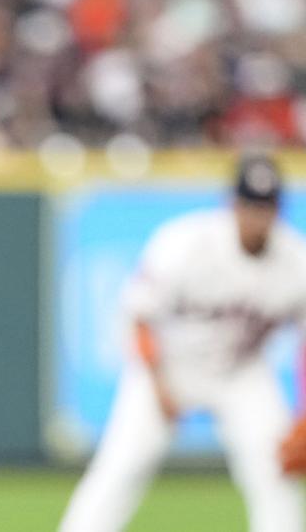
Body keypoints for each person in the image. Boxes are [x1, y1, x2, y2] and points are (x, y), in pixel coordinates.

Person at [59, 154, 306, 532]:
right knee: (121, 466)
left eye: (266, 206)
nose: (257, 216)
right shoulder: (186, 242)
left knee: (275, 472)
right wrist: (159, 386)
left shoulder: (295, 261)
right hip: (167, 364)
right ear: (232, 203)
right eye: (250, 204)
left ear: (278, 209)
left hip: (242, 373)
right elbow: (139, 318)